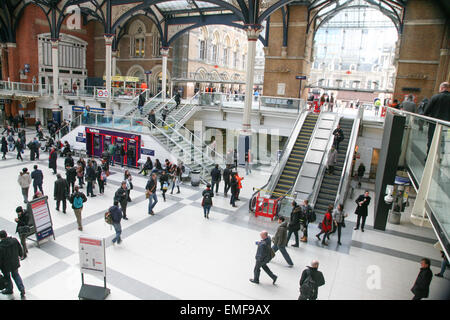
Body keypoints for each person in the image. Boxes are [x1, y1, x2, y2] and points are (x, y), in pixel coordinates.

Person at [424, 82, 450, 156]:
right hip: (448, 126)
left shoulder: (435, 97)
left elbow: (427, 111)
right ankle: (442, 158)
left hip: (434, 124)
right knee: (445, 141)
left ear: (441, 88)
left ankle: (429, 157)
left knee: (432, 141)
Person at [0, 230, 26, 298]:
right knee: (16, 275)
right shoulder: (14, 240)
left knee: (7, 277)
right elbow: (19, 248)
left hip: (5, 266)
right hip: (15, 262)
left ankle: (9, 289)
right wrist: (21, 255)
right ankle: (22, 289)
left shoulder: (1, 246)